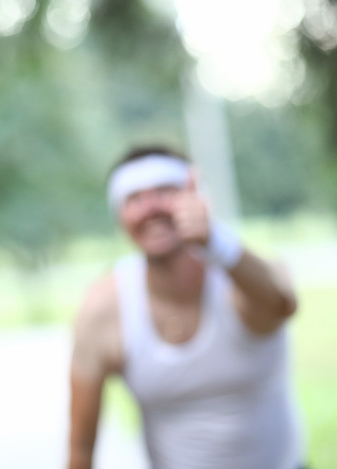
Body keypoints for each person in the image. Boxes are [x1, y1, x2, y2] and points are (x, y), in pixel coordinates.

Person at [67, 145, 304, 469]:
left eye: (165, 191)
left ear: (198, 199)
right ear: (120, 217)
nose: (151, 208)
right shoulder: (104, 308)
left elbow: (282, 303)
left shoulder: (243, 275)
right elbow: (80, 449)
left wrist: (216, 241)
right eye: (134, 198)